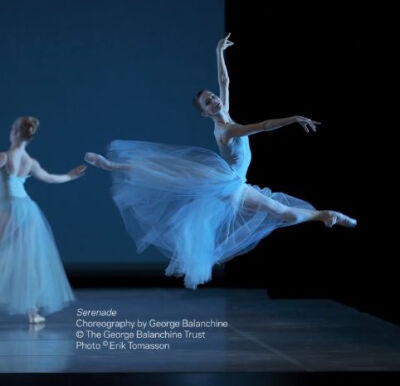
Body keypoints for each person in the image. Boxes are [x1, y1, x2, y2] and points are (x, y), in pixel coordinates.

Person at [84, 34, 356, 290]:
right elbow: (263, 125)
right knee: (279, 211)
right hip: (230, 185)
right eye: (209, 103)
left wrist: (218, 52)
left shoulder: (225, 114)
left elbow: (224, 81)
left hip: (229, 181)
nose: (215, 101)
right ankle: (325, 215)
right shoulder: (226, 130)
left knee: (177, 173)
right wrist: (294, 118)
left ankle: (324, 216)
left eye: (213, 97)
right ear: (205, 114)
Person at [0, 116, 86, 323]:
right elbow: (49, 178)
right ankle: (32, 312)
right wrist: (70, 176)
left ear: (14, 132)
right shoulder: (30, 162)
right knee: (28, 261)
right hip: (28, 210)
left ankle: (32, 311)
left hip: (7, 208)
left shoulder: (3, 157)